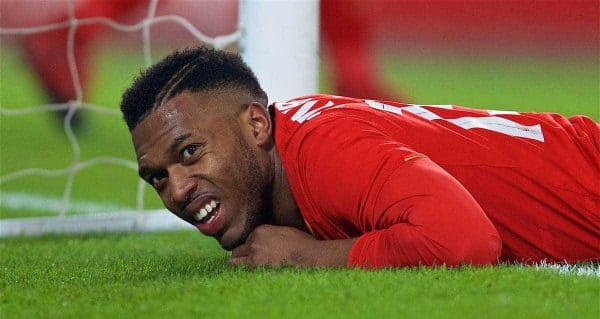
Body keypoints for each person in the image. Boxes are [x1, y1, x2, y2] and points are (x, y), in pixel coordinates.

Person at [120, 47, 599, 268]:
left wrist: (315, 257)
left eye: (190, 152)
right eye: (157, 177)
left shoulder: (325, 151)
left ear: (257, 125)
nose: (178, 190)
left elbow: (466, 242)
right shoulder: (298, 142)